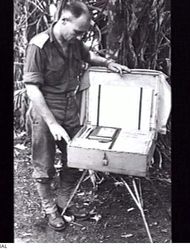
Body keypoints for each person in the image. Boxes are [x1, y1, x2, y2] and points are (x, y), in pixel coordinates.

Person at [23, 1, 130, 231]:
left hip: (70, 108)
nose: (79, 36)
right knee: (44, 165)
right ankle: (51, 210)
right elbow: (32, 89)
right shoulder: (39, 45)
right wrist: (52, 123)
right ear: (63, 20)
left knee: (79, 157)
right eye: (77, 31)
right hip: (45, 110)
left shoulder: (74, 42)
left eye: (82, 33)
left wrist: (109, 63)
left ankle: (64, 203)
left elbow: (88, 56)